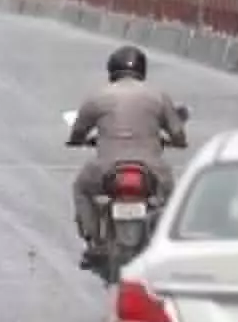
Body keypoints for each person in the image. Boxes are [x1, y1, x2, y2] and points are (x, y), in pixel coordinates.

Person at [66, 45, 188, 270]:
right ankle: (168, 242)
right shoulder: (159, 96)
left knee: (81, 189)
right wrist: (174, 141)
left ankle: (93, 240)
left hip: (106, 169)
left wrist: (79, 140)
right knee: (172, 196)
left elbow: (77, 132)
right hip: (152, 169)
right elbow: (178, 134)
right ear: (143, 70)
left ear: (112, 71)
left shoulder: (97, 97)